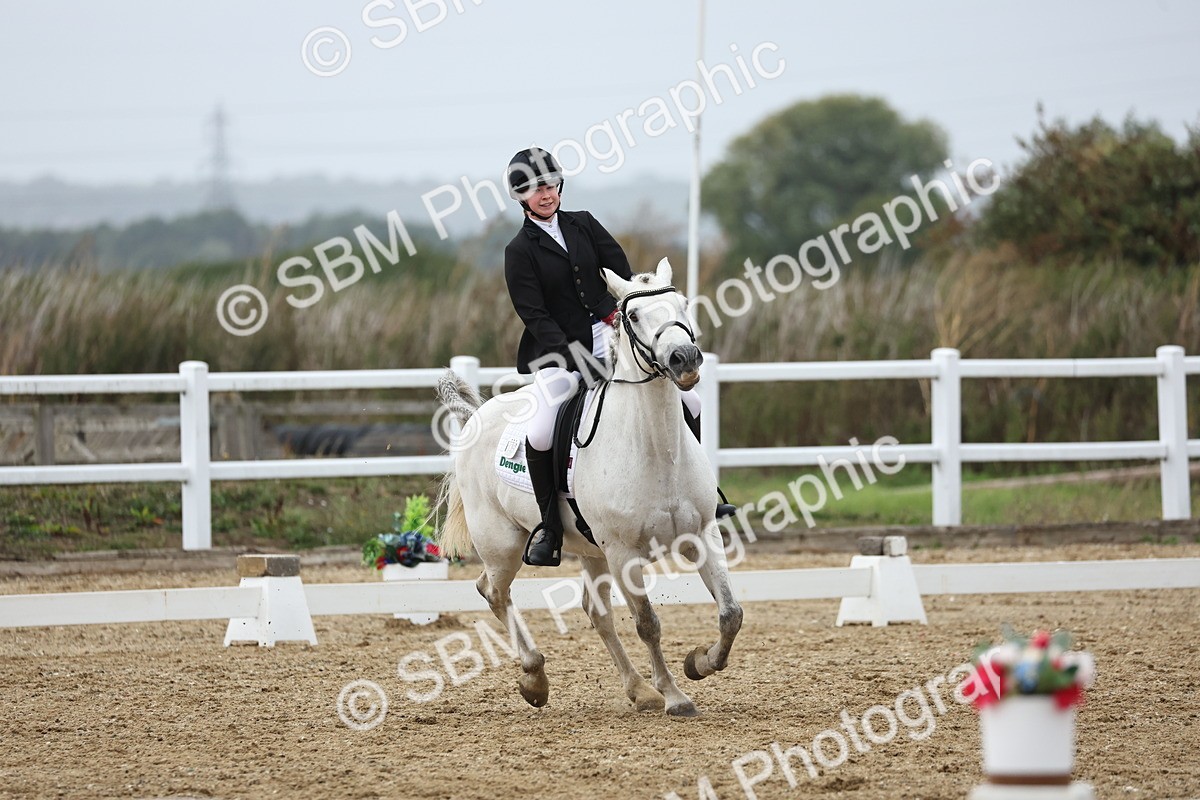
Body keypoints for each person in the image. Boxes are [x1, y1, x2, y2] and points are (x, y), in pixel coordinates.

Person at [503, 147, 733, 568]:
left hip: (613, 336)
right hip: (557, 352)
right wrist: (574, 355)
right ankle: (550, 527)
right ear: (521, 195)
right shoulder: (520, 250)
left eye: (551, 183)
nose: (546, 193)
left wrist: (618, 316)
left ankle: (702, 496)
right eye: (536, 188)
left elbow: (621, 277)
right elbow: (532, 313)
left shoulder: (584, 224)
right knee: (540, 430)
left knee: (692, 402)